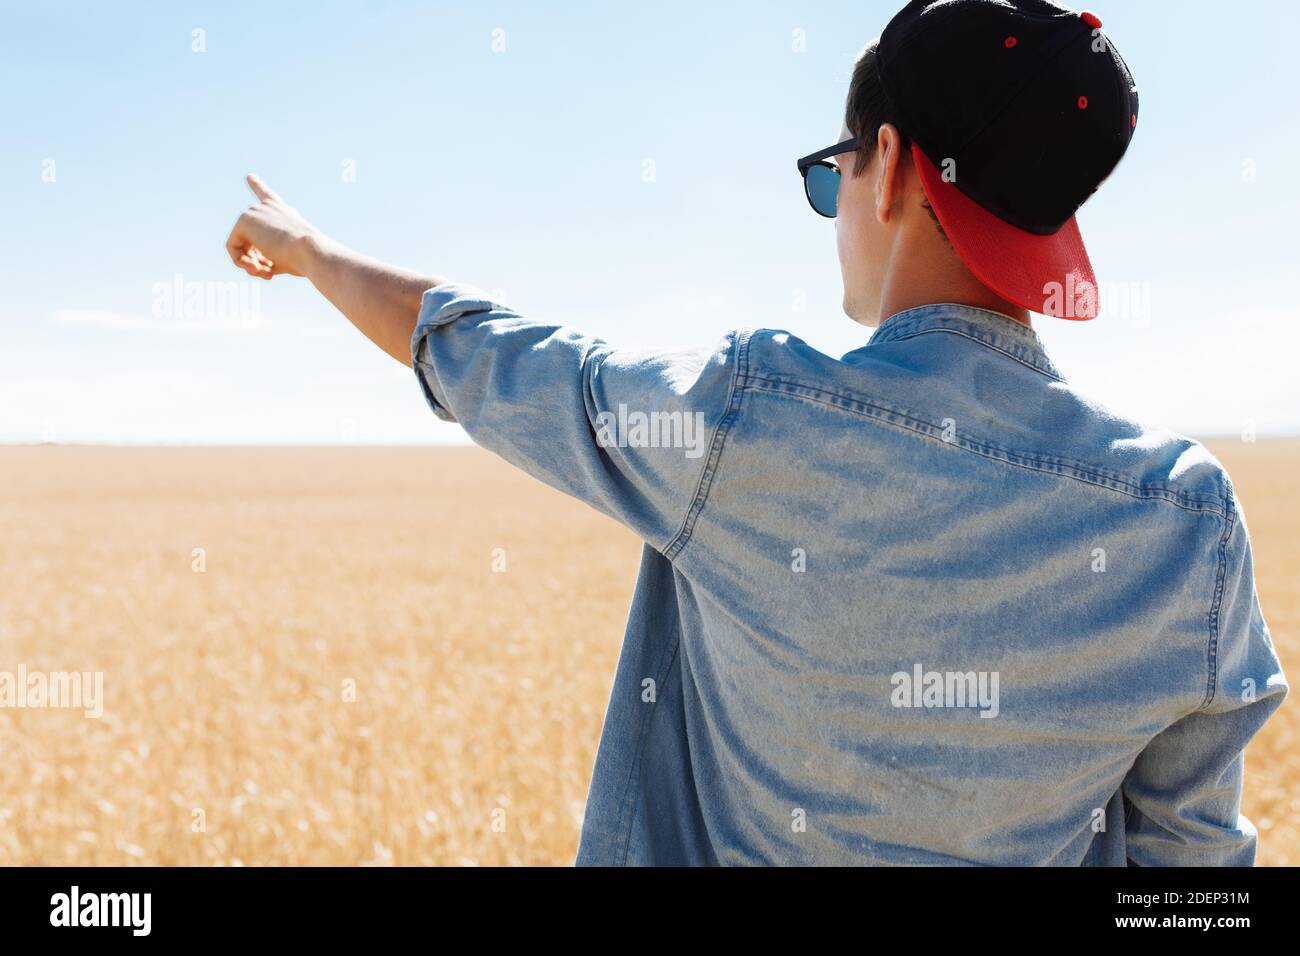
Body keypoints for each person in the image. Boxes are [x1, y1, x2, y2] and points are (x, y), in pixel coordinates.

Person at [225, 0, 1287, 865]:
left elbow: (493, 358)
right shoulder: (1189, 515)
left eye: (835, 174)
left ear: (894, 164)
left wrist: (312, 252)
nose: (835, 210)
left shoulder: (751, 419)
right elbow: (1190, 868)